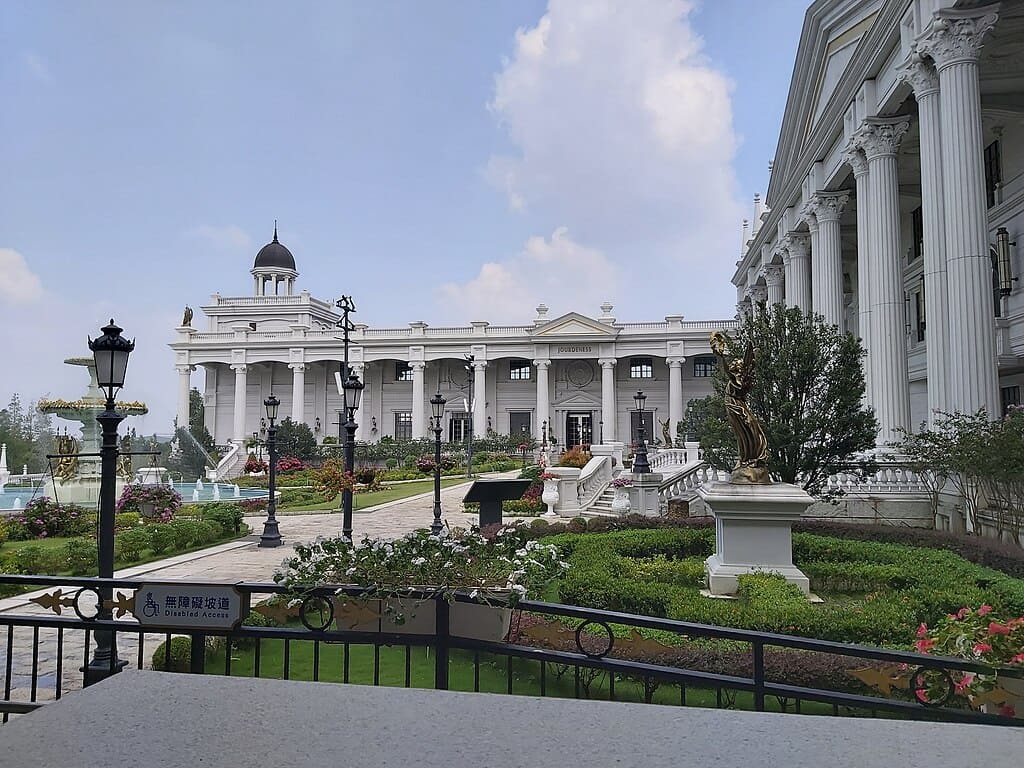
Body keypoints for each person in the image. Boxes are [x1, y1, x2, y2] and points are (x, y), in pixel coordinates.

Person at [709, 331, 769, 484]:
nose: (734, 364)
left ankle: (752, 458)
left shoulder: (740, 381)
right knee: (746, 431)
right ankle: (747, 458)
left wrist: (722, 357)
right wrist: (720, 356)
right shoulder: (736, 379)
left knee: (752, 428)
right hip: (733, 406)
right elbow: (728, 373)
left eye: (737, 363)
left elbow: (731, 374)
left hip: (738, 406)